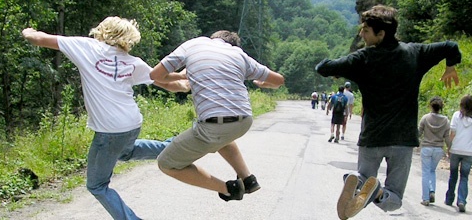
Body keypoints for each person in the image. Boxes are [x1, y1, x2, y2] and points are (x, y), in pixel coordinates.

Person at [21, 16, 190, 220]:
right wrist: (183, 80)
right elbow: (164, 81)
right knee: (125, 152)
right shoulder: (133, 62)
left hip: (110, 131)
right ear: (129, 39)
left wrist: (28, 31)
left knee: (97, 185)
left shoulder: (85, 47)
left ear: (102, 30)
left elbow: (40, 39)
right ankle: (176, 147)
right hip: (132, 123)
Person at [314, 5, 461, 219]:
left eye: (365, 30)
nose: (361, 34)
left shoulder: (362, 58)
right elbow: (451, 46)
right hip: (403, 140)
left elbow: (323, 67)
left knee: (362, 181)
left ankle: (356, 179)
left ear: (381, 34)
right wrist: (450, 66)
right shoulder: (415, 53)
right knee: (394, 198)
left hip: (372, 138)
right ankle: (379, 192)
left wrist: (336, 71)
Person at [149, 30, 285, 202]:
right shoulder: (239, 55)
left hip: (214, 125)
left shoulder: (193, 45)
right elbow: (279, 80)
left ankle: (229, 189)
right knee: (223, 139)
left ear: (214, 39)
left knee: (166, 164)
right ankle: (248, 179)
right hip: (244, 120)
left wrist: (182, 74)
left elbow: (155, 75)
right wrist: (264, 84)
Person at [445, 94, 472, 213]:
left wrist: (449, 147)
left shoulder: (456, 115)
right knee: (464, 177)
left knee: (453, 175)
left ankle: (449, 198)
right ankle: (461, 200)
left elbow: (452, 132)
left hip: (456, 149)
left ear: (461, 104)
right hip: (469, 151)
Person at [418, 96, 451, 206]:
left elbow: (418, 133)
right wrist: (450, 149)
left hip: (426, 148)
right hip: (438, 149)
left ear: (430, 106)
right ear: (441, 107)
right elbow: (447, 137)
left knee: (425, 172)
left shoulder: (425, 118)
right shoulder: (445, 120)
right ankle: (432, 190)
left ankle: (425, 198)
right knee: (432, 171)